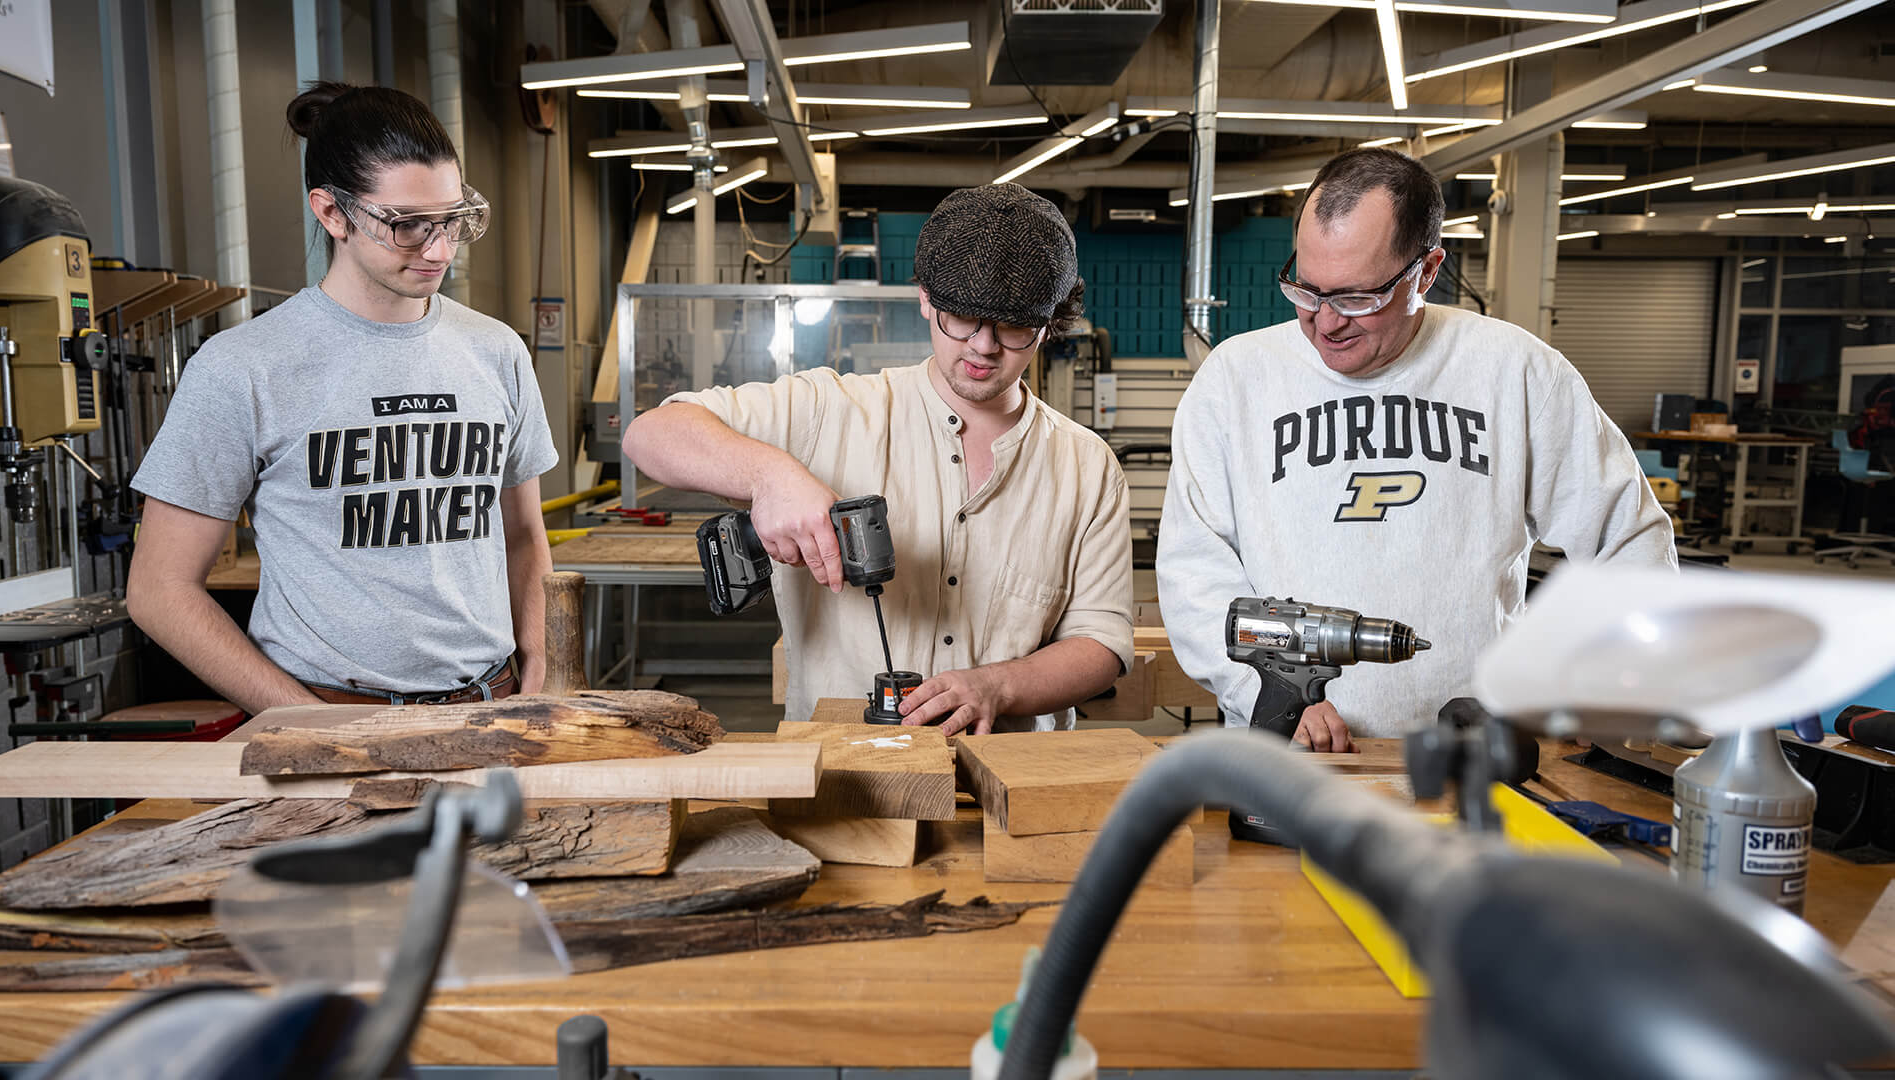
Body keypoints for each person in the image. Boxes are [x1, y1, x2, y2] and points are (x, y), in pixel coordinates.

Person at [1156, 148, 1675, 750]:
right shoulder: (1235, 379)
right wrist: (1259, 692)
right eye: (1306, 291)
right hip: (1289, 753)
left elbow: (1629, 540)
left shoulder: (1516, 372)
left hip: (1478, 752)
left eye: (1356, 297)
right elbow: (1194, 567)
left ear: (1426, 272)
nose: (1326, 323)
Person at [623, 184, 1132, 735]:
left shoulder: (1088, 468)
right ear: (924, 299)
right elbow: (651, 435)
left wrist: (998, 686)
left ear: (1050, 322)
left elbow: (1101, 642)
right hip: (841, 779)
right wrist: (770, 476)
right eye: (962, 316)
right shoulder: (828, 411)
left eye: (1013, 325)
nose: (984, 346)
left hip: (1009, 784)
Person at [126, 82, 558, 713]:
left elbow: (523, 535)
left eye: (452, 221)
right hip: (328, 714)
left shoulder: (496, 352)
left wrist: (541, 662)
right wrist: (312, 723)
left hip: (490, 706)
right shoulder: (242, 368)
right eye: (406, 225)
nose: (438, 250)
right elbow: (160, 590)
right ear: (331, 213)